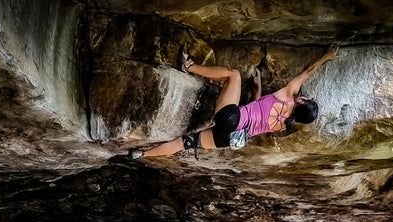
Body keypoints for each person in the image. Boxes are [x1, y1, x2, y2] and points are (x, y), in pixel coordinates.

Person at [129, 44, 339, 159]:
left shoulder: (288, 94)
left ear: (301, 101)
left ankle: (189, 67)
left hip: (232, 118)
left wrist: (326, 56)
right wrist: (257, 88)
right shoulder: (283, 126)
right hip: (231, 138)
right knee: (184, 144)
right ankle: (142, 154)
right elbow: (259, 117)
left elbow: (308, 71)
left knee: (234, 75)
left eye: (306, 98)